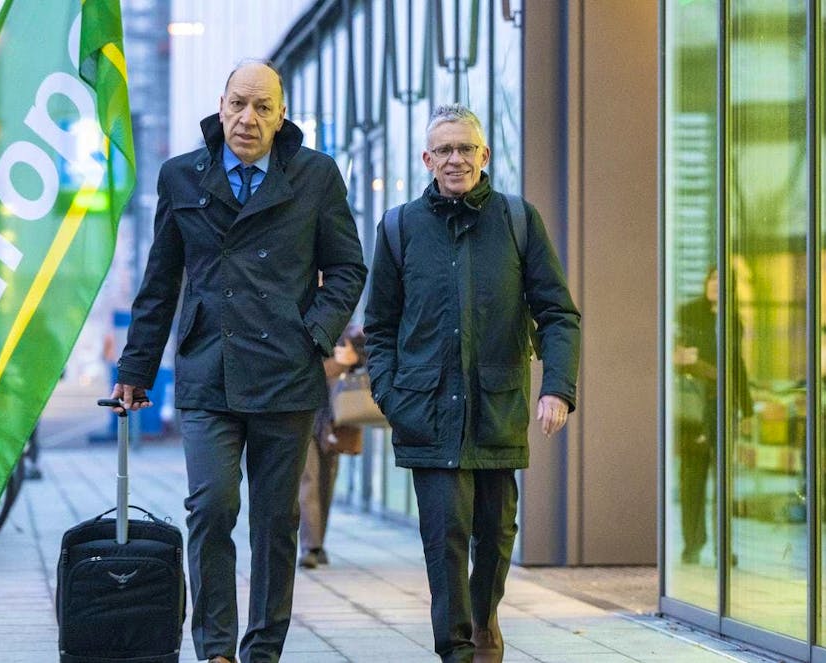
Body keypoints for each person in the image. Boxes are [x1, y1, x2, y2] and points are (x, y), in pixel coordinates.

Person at [110, 59, 366, 663]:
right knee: (212, 505)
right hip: (208, 367)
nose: (247, 118)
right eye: (237, 104)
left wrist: (313, 334)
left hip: (286, 371)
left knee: (275, 522)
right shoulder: (181, 176)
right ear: (221, 105)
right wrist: (135, 369)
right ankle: (217, 650)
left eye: (262, 108)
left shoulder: (316, 176)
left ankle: (263, 650)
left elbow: (347, 268)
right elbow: (161, 279)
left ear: (281, 117)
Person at [364, 104, 581, 663]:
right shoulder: (399, 228)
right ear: (427, 159)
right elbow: (380, 326)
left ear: (484, 155)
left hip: (496, 408)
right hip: (426, 411)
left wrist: (556, 387)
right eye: (444, 150)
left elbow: (558, 314)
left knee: (497, 532)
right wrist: (390, 395)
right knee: (445, 539)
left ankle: (484, 617)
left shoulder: (518, 220)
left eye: (465, 149)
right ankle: (458, 648)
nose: (455, 159)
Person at [673, 267, 751, 565]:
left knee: (723, 480)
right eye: (712, 278)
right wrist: (691, 362)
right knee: (692, 478)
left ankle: (723, 548)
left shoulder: (733, 319)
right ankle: (692, 544)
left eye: (722, 280)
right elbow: (675, 354)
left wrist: (746, 407)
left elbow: (738, 364)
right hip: (694, 406)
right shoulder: (688, 312)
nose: (716, 284)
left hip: (721, 406)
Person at [298, 323, 367, 569]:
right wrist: (340, 363)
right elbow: (308, 372)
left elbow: (366, 357)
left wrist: (354, 357)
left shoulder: (343, 329)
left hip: (333, 421)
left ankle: (318, 542)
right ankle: (310, 546)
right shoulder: (298, 327)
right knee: (308, 480)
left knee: (326, 481)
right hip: (303, 416)